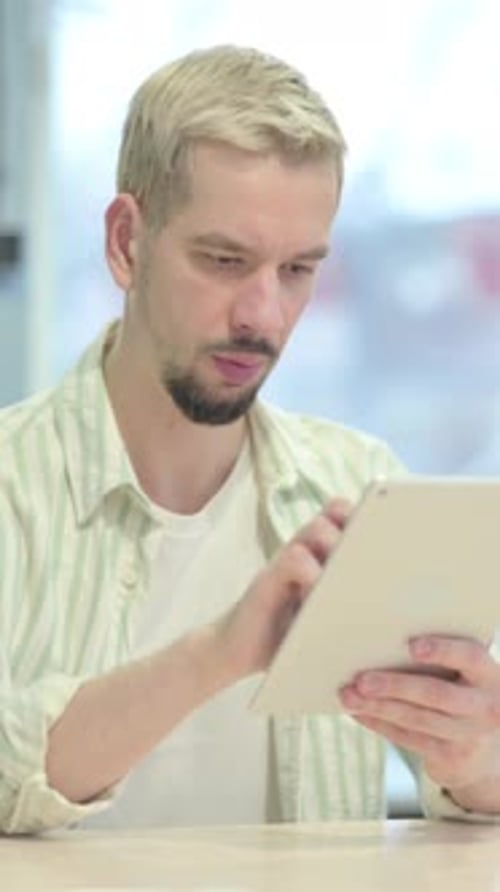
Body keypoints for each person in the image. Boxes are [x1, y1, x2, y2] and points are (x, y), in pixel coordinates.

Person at [1, 45, 499, 836]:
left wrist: (475, 761)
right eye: (225, 260)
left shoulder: (361, 484)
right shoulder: (10, 488)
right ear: (128, 242)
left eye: (299, 269)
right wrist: (220, 652)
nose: (263, 316)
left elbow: (478, 798)